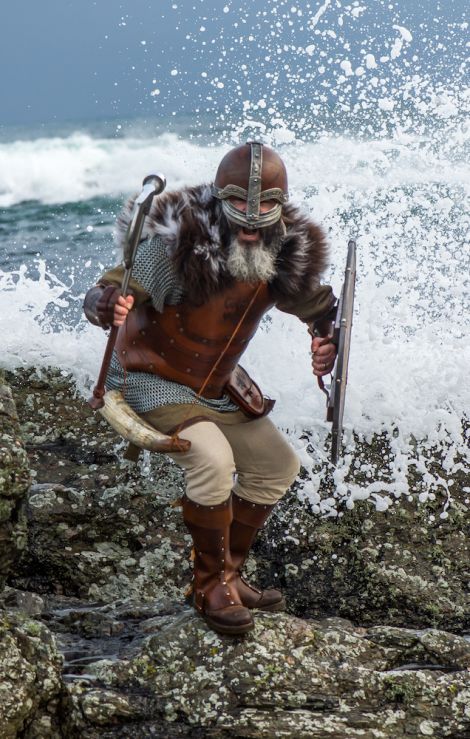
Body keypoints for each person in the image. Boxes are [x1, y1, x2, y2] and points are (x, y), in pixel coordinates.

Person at [83, 142, 337, 635]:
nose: (251, 218)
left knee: (275, 466)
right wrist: (107, 303)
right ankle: (207, 588)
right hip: (150, 380)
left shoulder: (285, 250)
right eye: (239, 203)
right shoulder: (179, 246)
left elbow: (318, 309)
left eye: (265, 206)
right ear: (220, 198)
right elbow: (112, 287)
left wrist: (325, 341)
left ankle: (230, 574)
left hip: (216, 389)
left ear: (280, 208)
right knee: (213, 458)